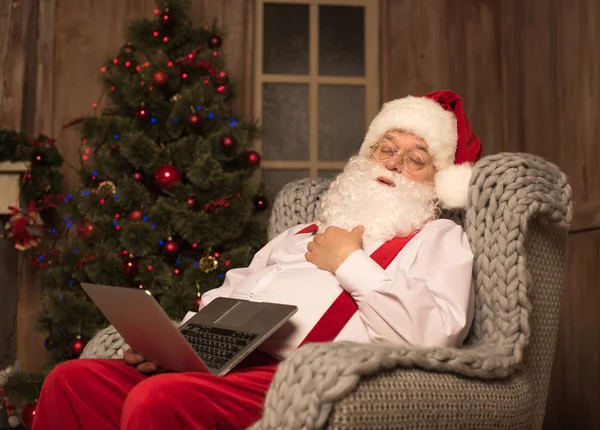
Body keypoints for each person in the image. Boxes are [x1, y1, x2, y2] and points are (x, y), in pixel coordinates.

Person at [32, 89, 482, 430]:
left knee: (157, 400)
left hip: (301, 381)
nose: (395, 163)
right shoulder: (297, 234)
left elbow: (435, 334)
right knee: (71, 381)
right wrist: (177, 345)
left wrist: (351, 262)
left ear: (437, 183)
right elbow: (228, 295)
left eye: (417, 158)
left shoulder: (438, 238)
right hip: (219, 364)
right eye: (387, 149)